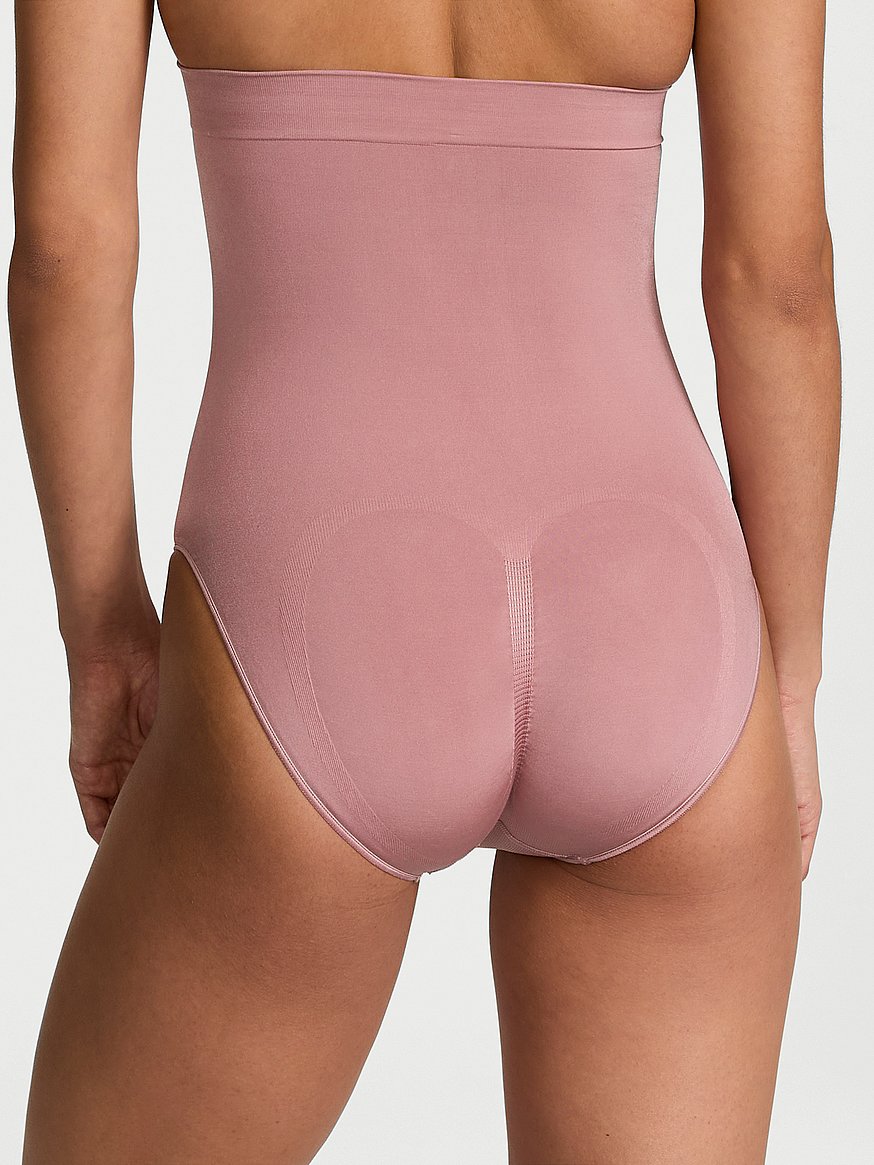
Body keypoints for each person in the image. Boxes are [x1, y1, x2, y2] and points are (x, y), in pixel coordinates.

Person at [9, 0, 840, 1161]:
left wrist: (101, 635)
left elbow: (67, 245)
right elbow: (775, 278)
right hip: (659, 609)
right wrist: (786, 680)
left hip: (317, 596)